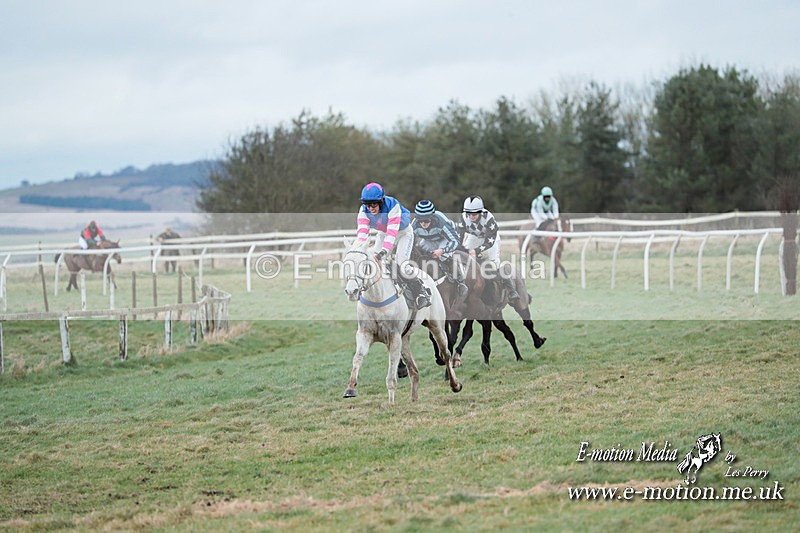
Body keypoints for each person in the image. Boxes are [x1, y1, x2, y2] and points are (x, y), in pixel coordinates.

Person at [355, 182, 430, 308]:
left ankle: (421, 292)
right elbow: (362, 235)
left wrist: (384, 251)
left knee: (402, 264)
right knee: (374, 262)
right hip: (383, 233)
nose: (371, 208)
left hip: (403, 233)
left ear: (381, 201)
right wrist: (359, 250)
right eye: (367, 204)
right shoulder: (363, 211)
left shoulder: (392, 206)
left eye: (373, 204)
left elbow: (392, 232)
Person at [457, 195, 520, 301]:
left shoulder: (489, 218)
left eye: (474, 213)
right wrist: (462, 249)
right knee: (464, 258)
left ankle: (511, 290)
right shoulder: (463, 217)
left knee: (494, 263)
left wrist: (476, 251)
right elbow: (459, 237)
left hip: (490, 239)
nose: (471, 216)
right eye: (469, 213)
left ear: (480, 212)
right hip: (474, 237)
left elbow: (489, 242)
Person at [411, 200, 468, 297]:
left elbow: (455, 241)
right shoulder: (414, 225)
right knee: (420, 253)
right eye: (420, 220)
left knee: (443, 256)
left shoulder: (441, 222)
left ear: (432, 217)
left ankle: (460, 281)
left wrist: (442, 251)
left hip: (446, 238)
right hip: (429, 239)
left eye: (426, 220)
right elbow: (410, 242)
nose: (423, 224)